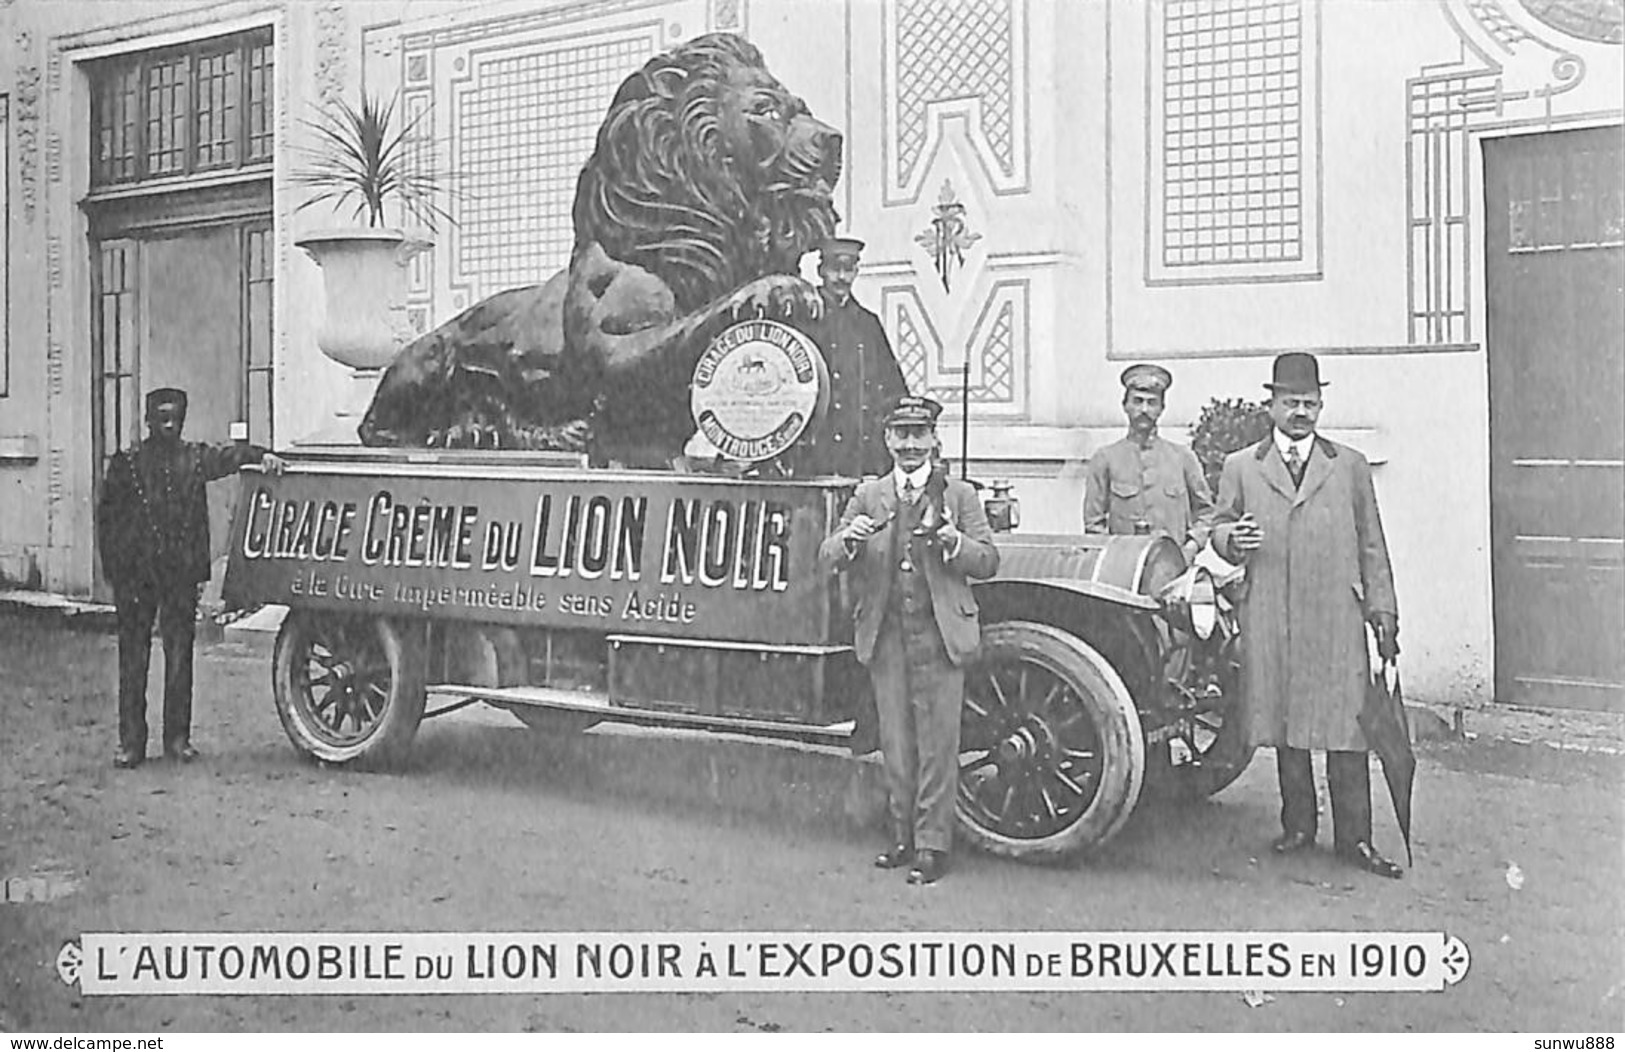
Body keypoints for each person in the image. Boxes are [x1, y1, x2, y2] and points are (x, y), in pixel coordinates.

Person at [1210, 353, 1403, 878]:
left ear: (1321, 405)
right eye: (1291, 402)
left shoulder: (1350, 465)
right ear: (1270, 404)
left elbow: (1372, 544)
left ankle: (1355, 839)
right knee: (1285, 722)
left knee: (1348, 728)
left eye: (1310, 403)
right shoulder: (1242, 467)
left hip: (1336, 614)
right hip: (1271, 610)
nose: (1301, 412)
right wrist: (1233, 539)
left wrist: (1383, 610)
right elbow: (1218, 527)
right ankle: (1298, 825)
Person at [819, 396, 1000, 885]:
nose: (910, 445)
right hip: (887, 635)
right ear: (887, 441)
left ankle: (933, 846)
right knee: (897, 743)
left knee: (939, 745)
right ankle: (901, 837)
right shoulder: (869, 495)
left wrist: (954, 542)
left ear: (935, 440)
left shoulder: (959, 495)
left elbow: (988, 560)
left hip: (941, 633)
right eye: (901, 435)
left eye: (920, 435)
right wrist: (850, 538)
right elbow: (827, 554)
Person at [97, 388, 285, 768]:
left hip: (179, 575)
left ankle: (177, 739)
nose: (169, 426)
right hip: (136, 576)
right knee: (133, 658)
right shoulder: (127, 464)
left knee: (180, 656)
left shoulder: (194, 458)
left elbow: (231, 456)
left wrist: (261, 454)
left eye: (175, 419)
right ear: (149, 421)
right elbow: (108, 520)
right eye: (162, 418)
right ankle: (131, 743)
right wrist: (115, 572)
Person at [789, 236, 909, 479]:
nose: (842, 277)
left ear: (856, 271)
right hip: (817, 451)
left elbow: (892, 386)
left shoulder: (868, 323)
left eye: (848, 270)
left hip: (862, 453)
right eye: (835, 269)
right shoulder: (804, 320)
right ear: (821, 270)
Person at [1082, 362, 1215, 563]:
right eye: (1137, 401)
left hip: (1175, 567)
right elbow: (1093, 524)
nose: (1144, 409)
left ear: (1162, 408)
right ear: (1125, 406)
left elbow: (1206, 513)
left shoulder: (1183, 458)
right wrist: (1112, 560)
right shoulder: (1105, 459)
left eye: (1152, 403)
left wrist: (1191, 547)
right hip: (1122, 570)